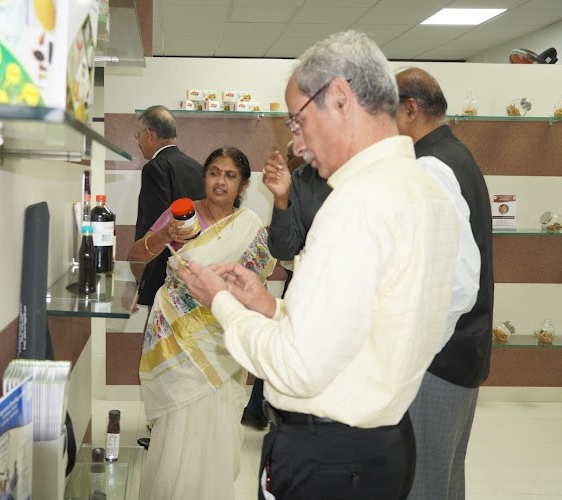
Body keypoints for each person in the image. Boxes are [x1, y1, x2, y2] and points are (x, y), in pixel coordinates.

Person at [178, 30, 461, 499]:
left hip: (326, 460)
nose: (298, 145)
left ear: (341, 98)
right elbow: (361, 328)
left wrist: (224, 304)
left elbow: (296, 367)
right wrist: (270, 307)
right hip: (383, 446)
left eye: (296, 123)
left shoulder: (357, 204)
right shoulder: (424, 190)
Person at [129, 146, 276, 500]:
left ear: (243, 185)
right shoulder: (182, 214)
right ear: (204, 177)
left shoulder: (250, 228)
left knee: (215, 422)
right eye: (213, 172)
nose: (219, 181)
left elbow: (255, 290)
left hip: (222, 337)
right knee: (175, 418)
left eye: (229, 175)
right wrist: (166, 236)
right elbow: (136, 257)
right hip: (174, 332)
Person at [396, 66, 494, 500]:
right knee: (442, 480)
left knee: (425, 482)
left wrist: (420, 350)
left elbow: (458, 282)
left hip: (438, 361)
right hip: (457, 354)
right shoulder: (454, 154)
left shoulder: (432, 166)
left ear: (411, 110)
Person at [241, 140, 332, 431]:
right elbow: (283, 248)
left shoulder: (369, 174)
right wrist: (281, 200)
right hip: (306, 298)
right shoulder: (303, 180)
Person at [133, 105, 205, 313]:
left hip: (163, 279)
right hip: (194, 272)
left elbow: (154, 229)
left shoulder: (155, 169)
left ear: (149, 135)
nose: (138, 143)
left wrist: (142, 281)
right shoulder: (196, 167)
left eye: (138, 136)